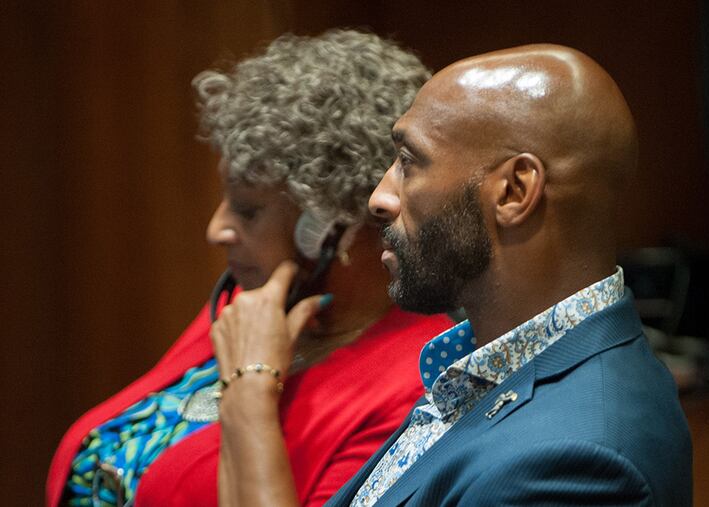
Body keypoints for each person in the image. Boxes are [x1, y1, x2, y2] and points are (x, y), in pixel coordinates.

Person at [47, 30, 451, 507]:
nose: (217, 229)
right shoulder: (255, 304)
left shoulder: (419, 385)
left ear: (327, 226)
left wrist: (251, 391)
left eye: (247, 210)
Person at [322, 44, 690, 505]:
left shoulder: (577, 464)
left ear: (514, 191)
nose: (380, 196)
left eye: (409, 162)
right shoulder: (485, 366)